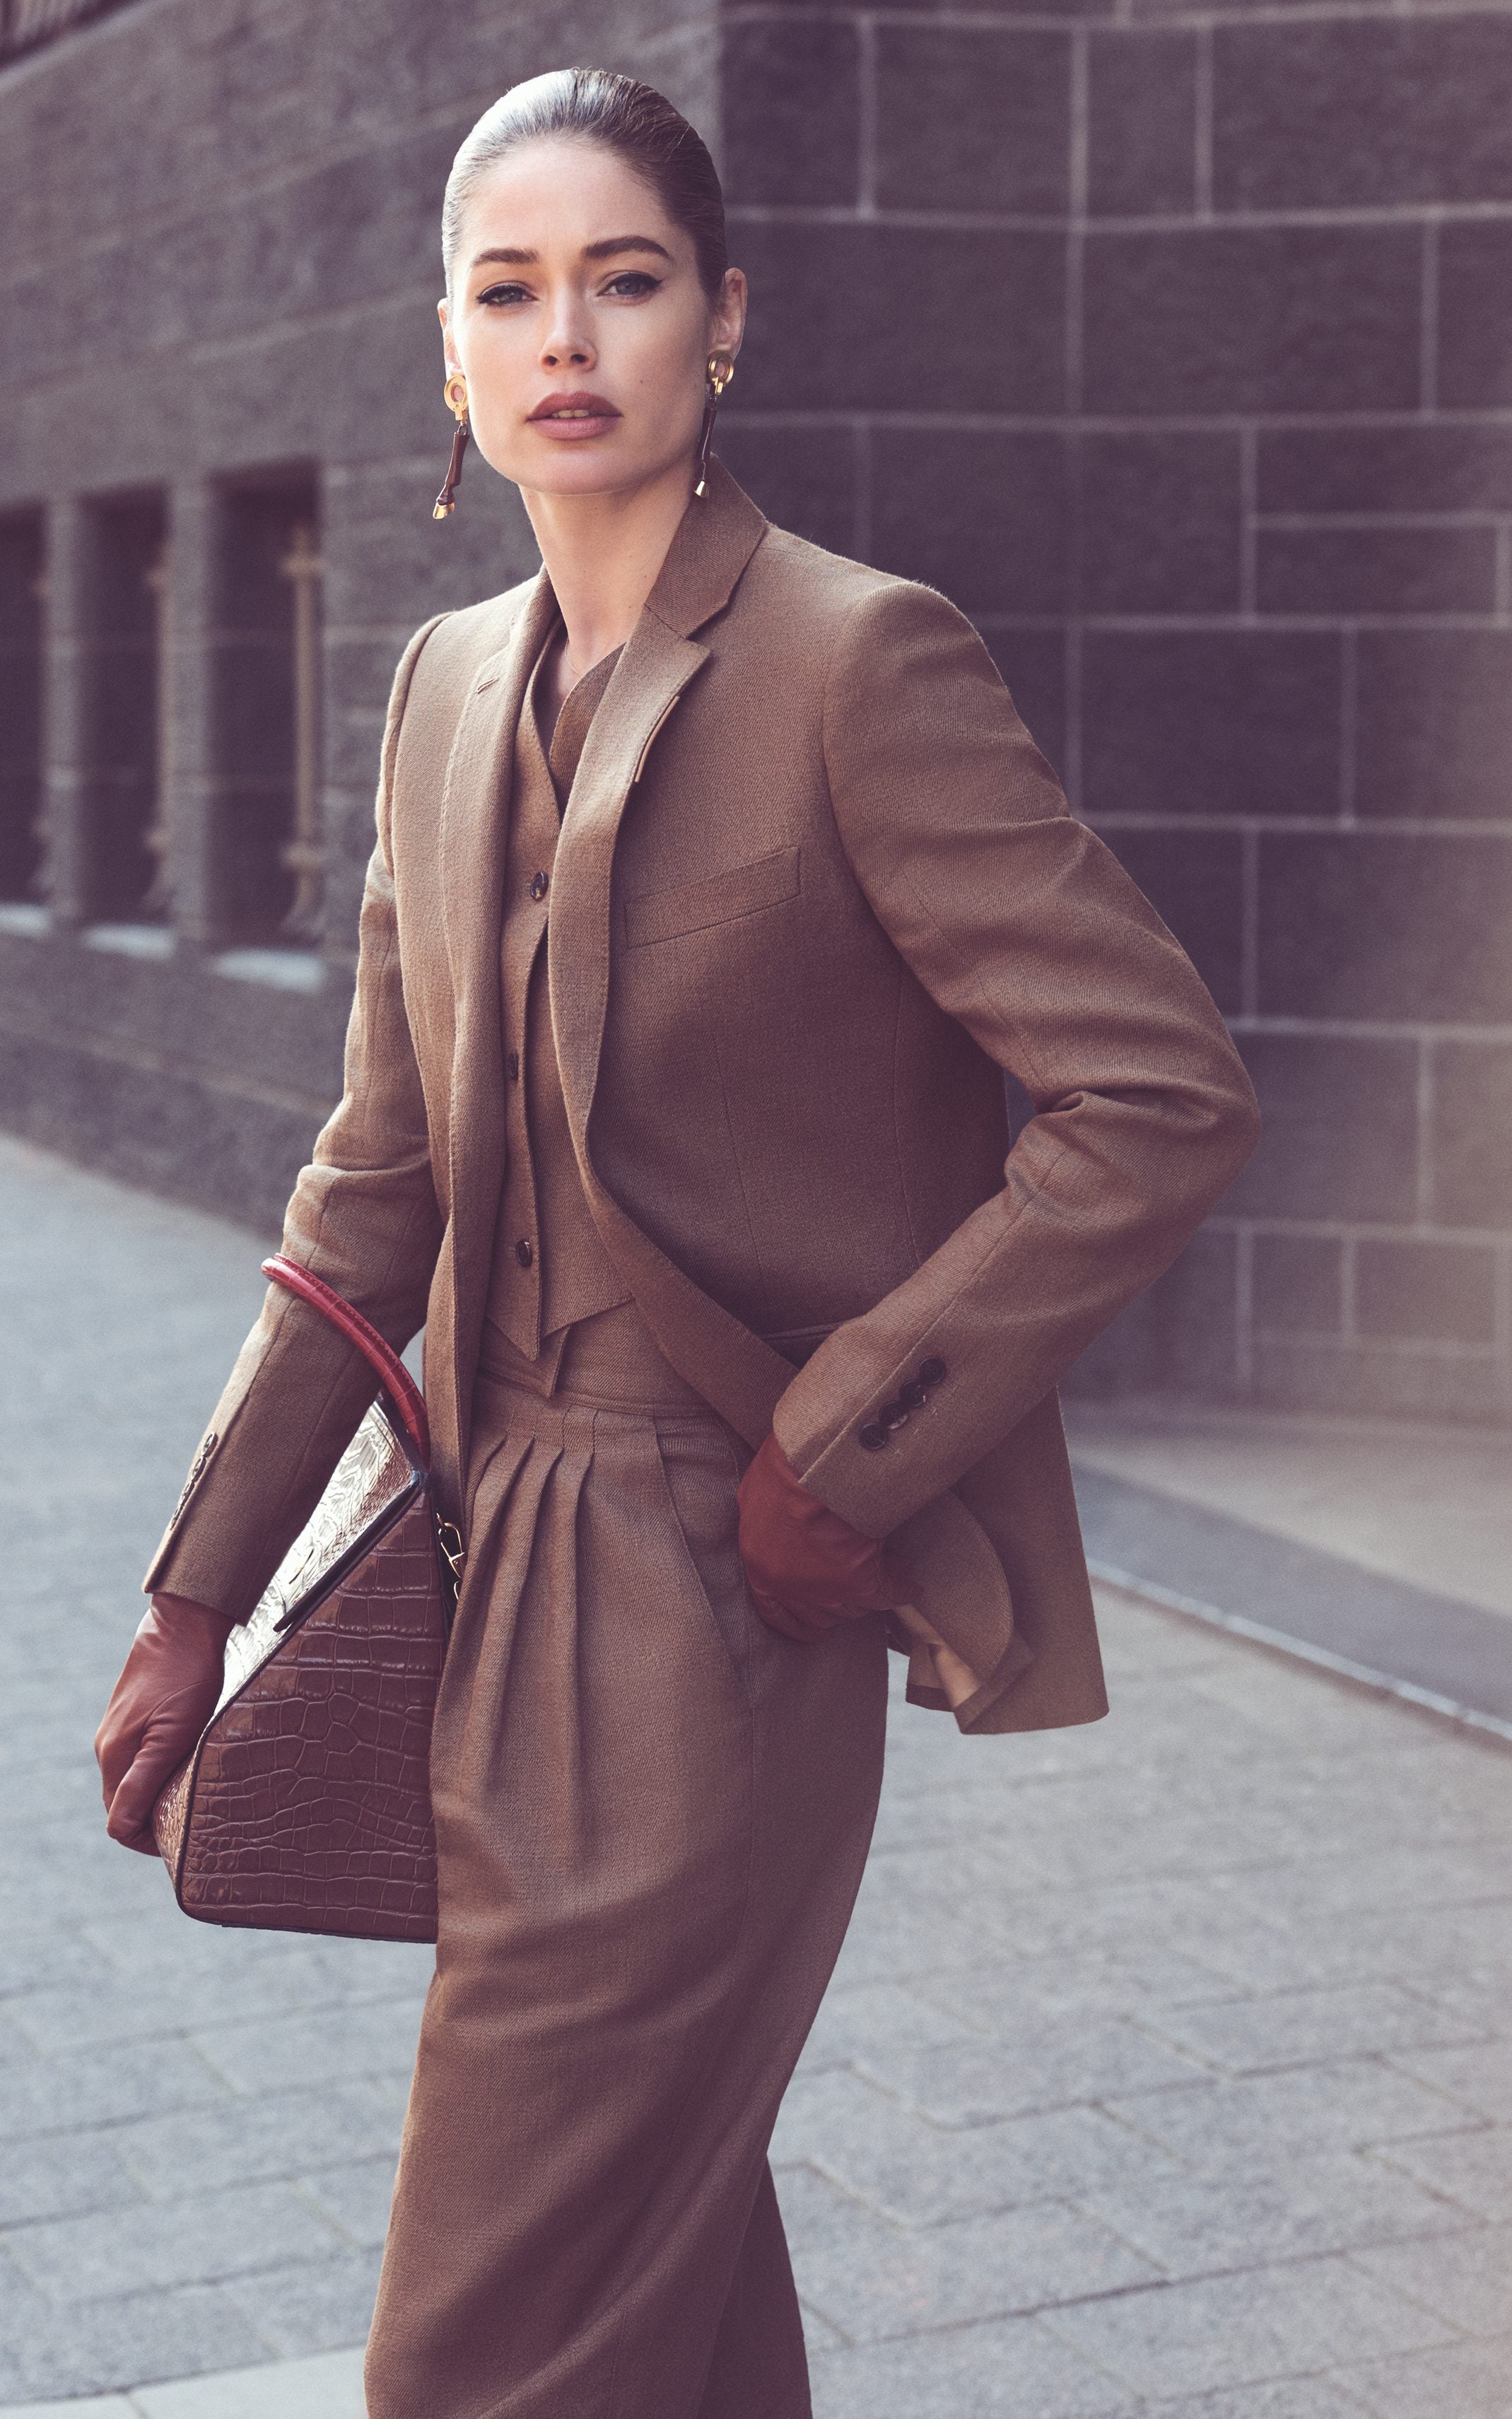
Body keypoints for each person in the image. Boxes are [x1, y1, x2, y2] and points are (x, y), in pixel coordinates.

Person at [95, 66, 1260, 2419]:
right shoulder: (435, 684)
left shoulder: (858, 660)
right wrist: (194, 1591)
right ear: (448, 357)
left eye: (623, 280)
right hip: (474, 1549)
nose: (567, 336)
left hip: (721, 1583)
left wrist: (849, 1448)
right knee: (657, 2270)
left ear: (718, 320)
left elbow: (1153, 1095)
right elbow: (375, 1180)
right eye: (509, 291)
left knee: (480, 2342)